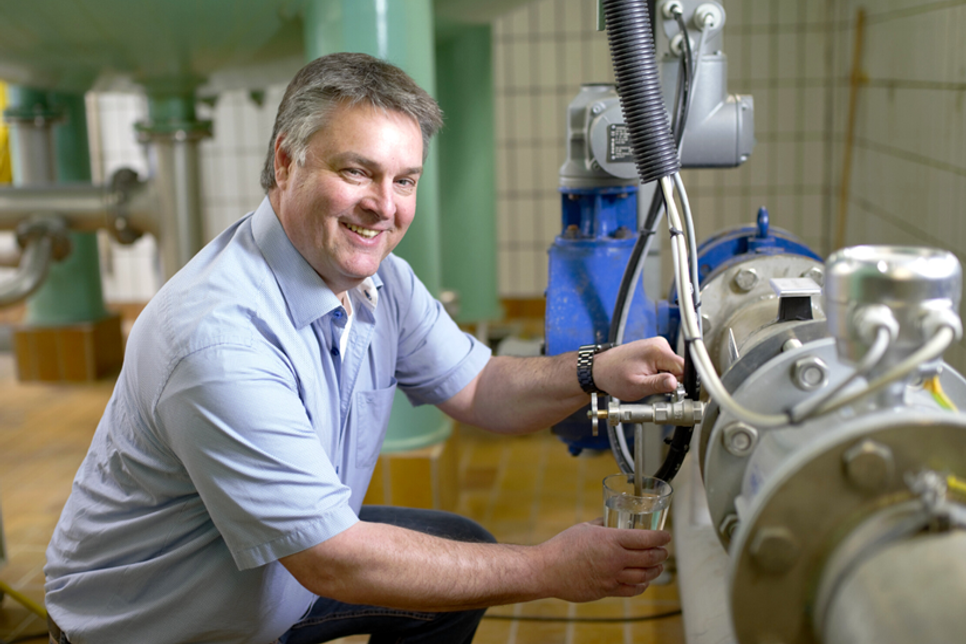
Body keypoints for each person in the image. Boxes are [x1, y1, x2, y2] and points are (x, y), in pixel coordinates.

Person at [44, 52, 684, 644]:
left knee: (458, 550)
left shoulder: (380, 281)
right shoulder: (216, 339)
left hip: (279, 582)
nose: (384, 207)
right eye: (357, 172)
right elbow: (333, 560)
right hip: (164, 626)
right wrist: (547, 568)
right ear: (287, 161)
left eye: (404, 181)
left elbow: (481, 388)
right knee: (462, 565)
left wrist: (595, 369)